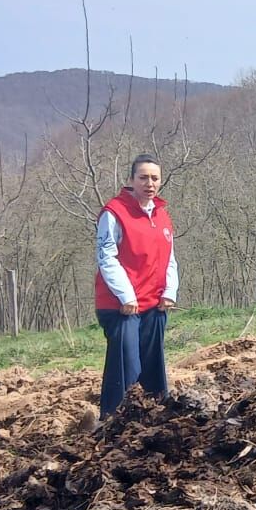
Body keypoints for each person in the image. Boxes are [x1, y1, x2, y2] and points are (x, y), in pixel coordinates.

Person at [94, 154, 180, 420]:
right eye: (143, 177)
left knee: (153, 366)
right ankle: (113, 422)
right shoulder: (114, 212)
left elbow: (170, 257)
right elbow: (106, 257)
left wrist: (169, 291)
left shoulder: (162, 215)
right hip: (122, 306)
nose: (149, 183)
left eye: (154, 178)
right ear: (131, 180)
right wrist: (126, 296)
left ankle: (154, 418)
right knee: (126, 367)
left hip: (154, 303)